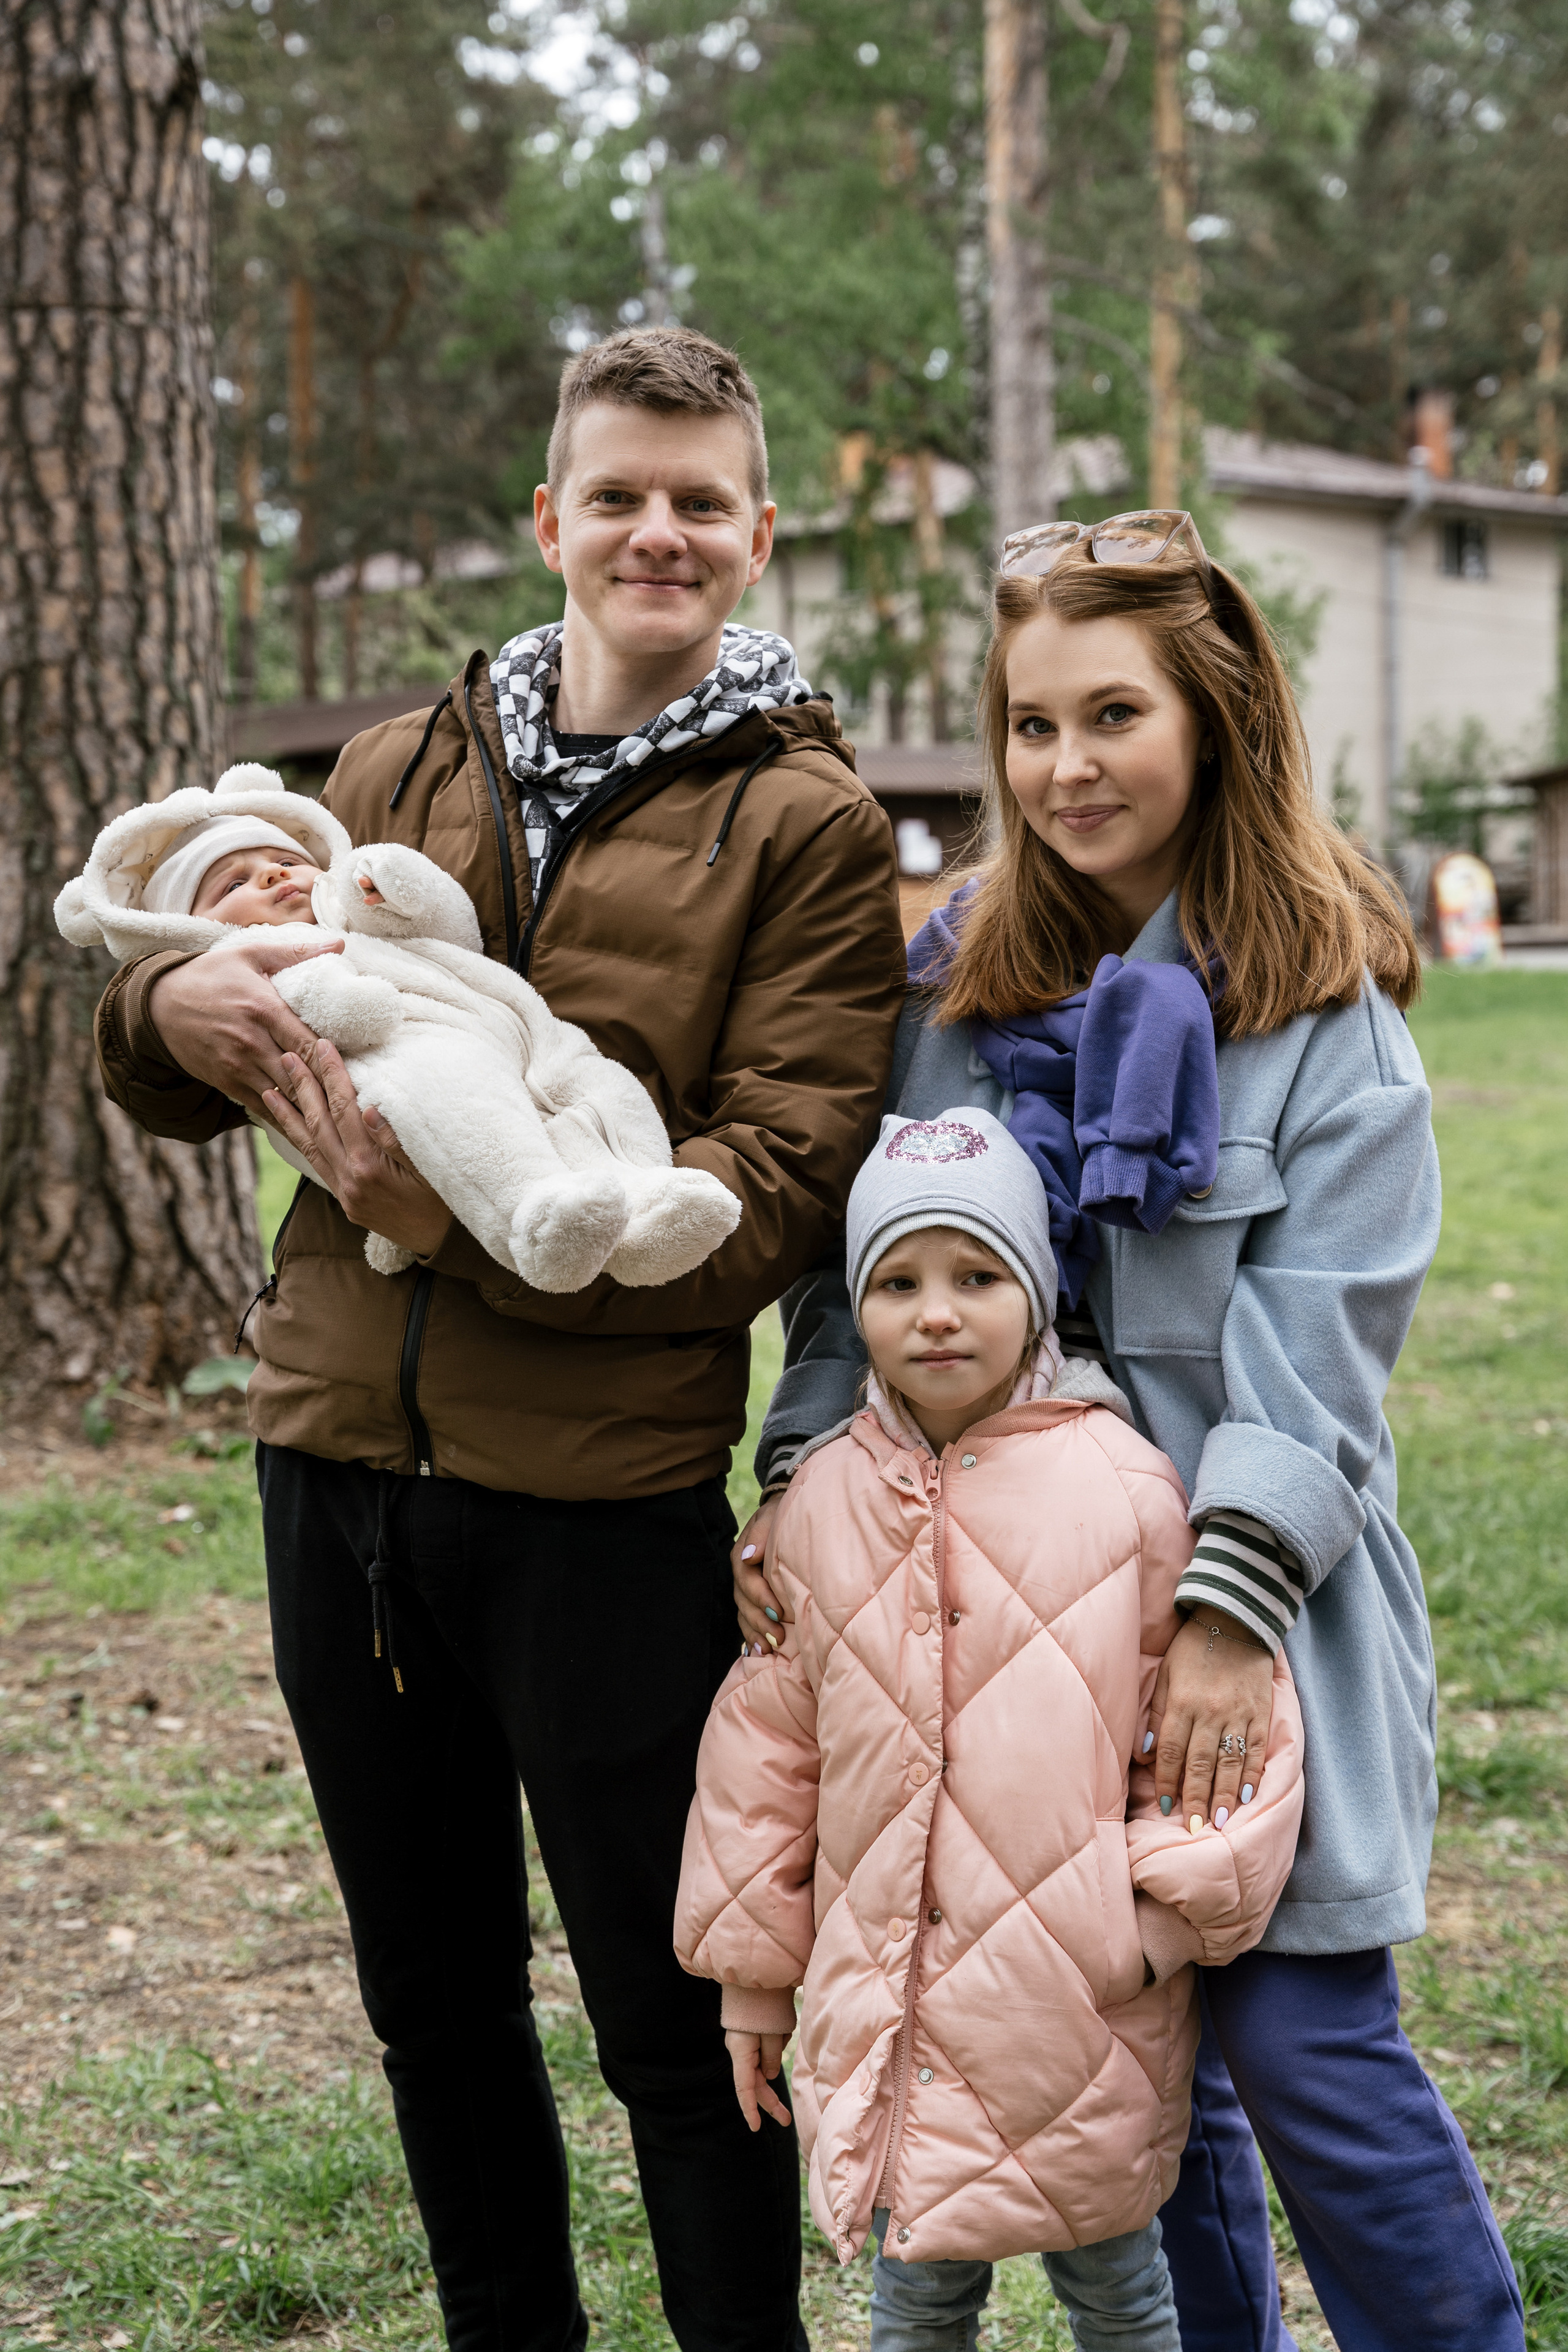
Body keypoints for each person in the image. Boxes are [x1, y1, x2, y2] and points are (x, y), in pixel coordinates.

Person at [94, 325, 907, 2352]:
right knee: (435, 2009)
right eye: (616, 493)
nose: (657, 530)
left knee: (679, 2018)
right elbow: (220, 982)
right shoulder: (395, 769)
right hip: (336, 1480)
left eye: (698, 500)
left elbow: (776, 1187)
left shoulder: (807, 826)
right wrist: (153, 1020)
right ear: (550, 518)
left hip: (598, 1509)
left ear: (757, 535)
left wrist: (437, 1224)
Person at [733, 513, 1526, 2352]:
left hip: (1249, 1615)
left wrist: (1228, 1614)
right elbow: (864, 1275)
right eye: (1029, 724)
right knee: (1140, 2073)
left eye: (1113, 713)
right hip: (999, 1631)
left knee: (1299, 2037)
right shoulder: (956, 995)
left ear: (1216, 719)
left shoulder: (1326, 1022)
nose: (1067, 764)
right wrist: (800, 1489)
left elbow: (1314, 1354)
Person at [677, 1104, 1303, 2352]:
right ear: (854, 1306)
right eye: (896, 1282)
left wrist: (1150, 1925)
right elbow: (763, 1754)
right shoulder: (817, 1506)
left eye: (975, 1275)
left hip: (1076, 2008)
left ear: (1034, 1292)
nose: (937, 1313)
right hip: (887, 2000)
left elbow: (1227, 1736)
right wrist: (755, 1980)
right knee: (913, 2294)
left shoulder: (1124, 1489)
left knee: (1118, 2291)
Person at [61, 771, 741, 1292]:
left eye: (282, 859)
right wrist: (155, 1002)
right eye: (233, 881)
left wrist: (396, 889)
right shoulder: (264, 976)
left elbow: (454, 933)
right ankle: (534, 1213)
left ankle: (646, 1197)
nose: (272, 873)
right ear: (193, 930)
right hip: (411, 1074)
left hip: (521, 1035)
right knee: (466, 1108)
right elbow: (343, 1017)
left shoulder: (349, 914)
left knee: (597, 1085)